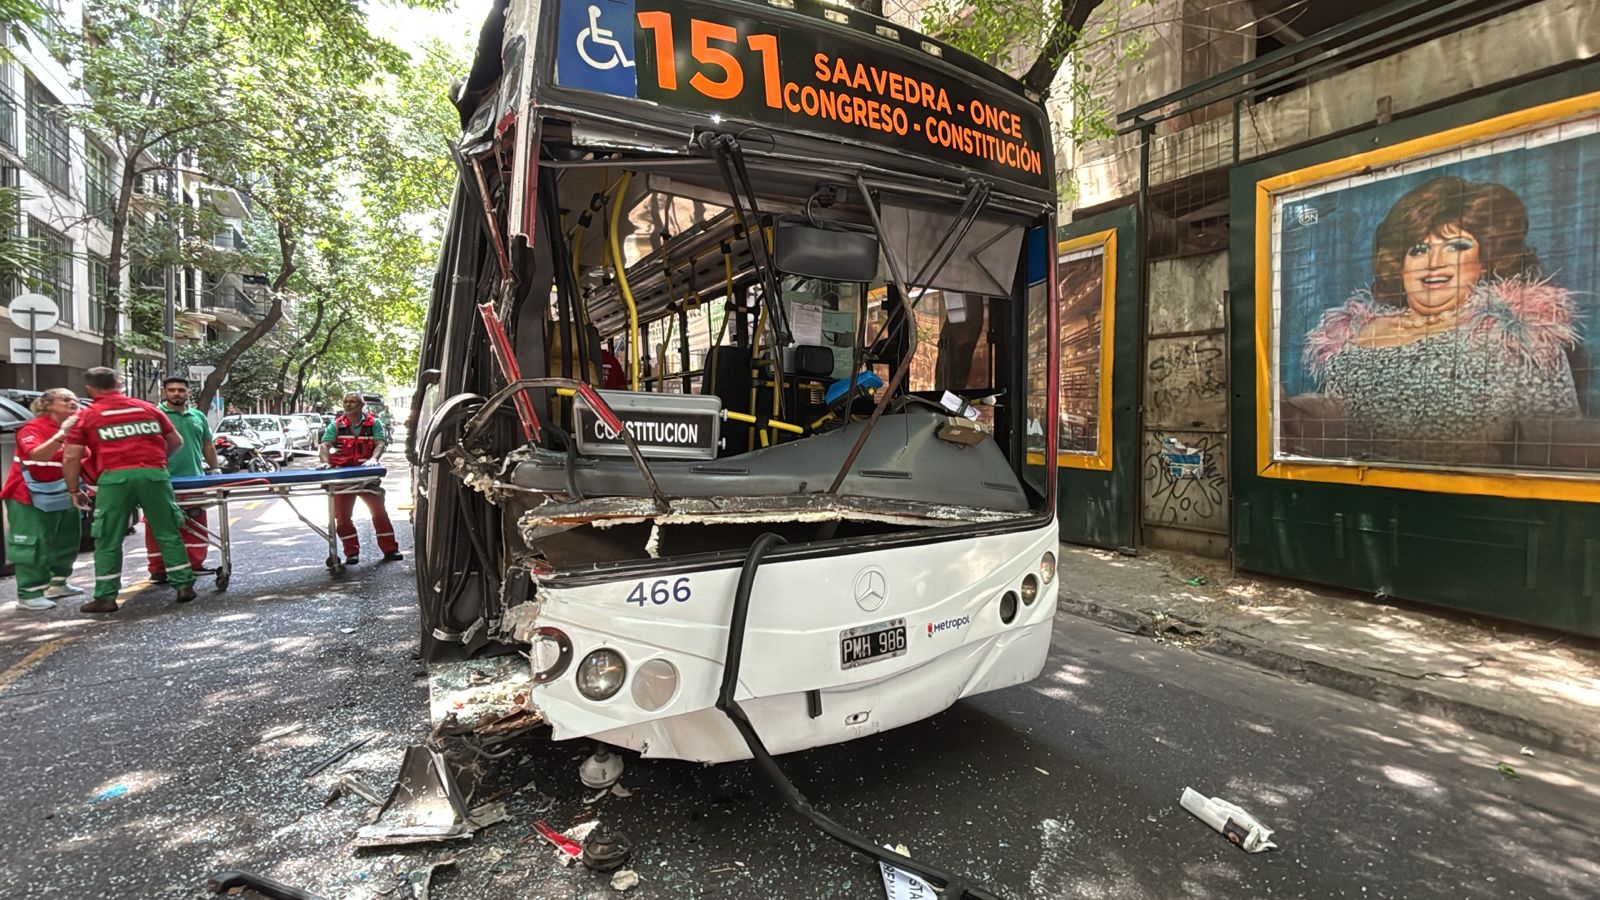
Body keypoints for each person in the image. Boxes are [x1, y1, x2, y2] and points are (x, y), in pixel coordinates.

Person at [1300, 175, 1580, 465]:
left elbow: (1558, 454)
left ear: (1486, 261)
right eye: (1419, 249)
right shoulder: (1348, 335)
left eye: (1457, 246)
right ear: (1400, 263)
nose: (1434, 262)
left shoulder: (1517, 337)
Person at [62, 367, 197, 613]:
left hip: (114, 479)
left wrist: (73, 489)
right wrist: (157, 462)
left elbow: (71, 457)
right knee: (167, 530)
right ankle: (184, 585)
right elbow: (176, 440)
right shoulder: (146, 408)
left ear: (90, 389)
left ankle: (105, 597)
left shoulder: (87, 416)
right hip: (154, 476)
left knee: (108, 537)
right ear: (119, 384)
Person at [1, 389, 85, 610]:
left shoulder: (76, 429)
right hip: (28, 495)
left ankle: (57, 582)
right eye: (65, 400)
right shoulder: (32, 428)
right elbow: (37, 454)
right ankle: (28, 593)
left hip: (64, 491)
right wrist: (61, 436)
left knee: (66, 539)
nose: (72, 404)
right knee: (34, 542)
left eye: (75, 400)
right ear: (47, 404)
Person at [144, 375, 218, 583]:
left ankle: (194, 564)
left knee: (195, 522)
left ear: (188, 392)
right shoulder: (155, 415)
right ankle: (158, 569)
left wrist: (216, 470)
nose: (176, 393)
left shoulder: (197, 416)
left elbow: (207, 445)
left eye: (181, 390)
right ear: (164, 392)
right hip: (162, 480)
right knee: (158, 524)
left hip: (194, 479)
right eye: (172, 390)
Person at [319, 391, 402, 565]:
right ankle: (351, 552)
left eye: (353, 402)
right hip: (344, 477)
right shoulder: (336, 425)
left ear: (362, 405)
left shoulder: (374, 424)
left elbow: (380, 444)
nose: (348, 405)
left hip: (367, 477)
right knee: (342, 517)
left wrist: (373, 459)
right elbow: (325, 444)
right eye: (346, 402)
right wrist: (325, 462)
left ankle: (390, 549)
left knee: (379, 513)